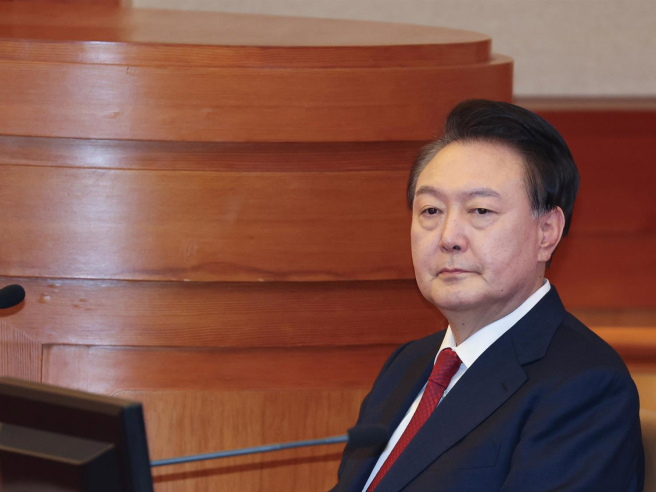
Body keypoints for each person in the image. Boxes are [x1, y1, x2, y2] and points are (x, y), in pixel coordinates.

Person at [331, 100, 644, 492]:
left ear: (546, 232)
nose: (448, 237)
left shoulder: (585, 387)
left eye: (480, 210)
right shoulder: (407, 365)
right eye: (431, 211)